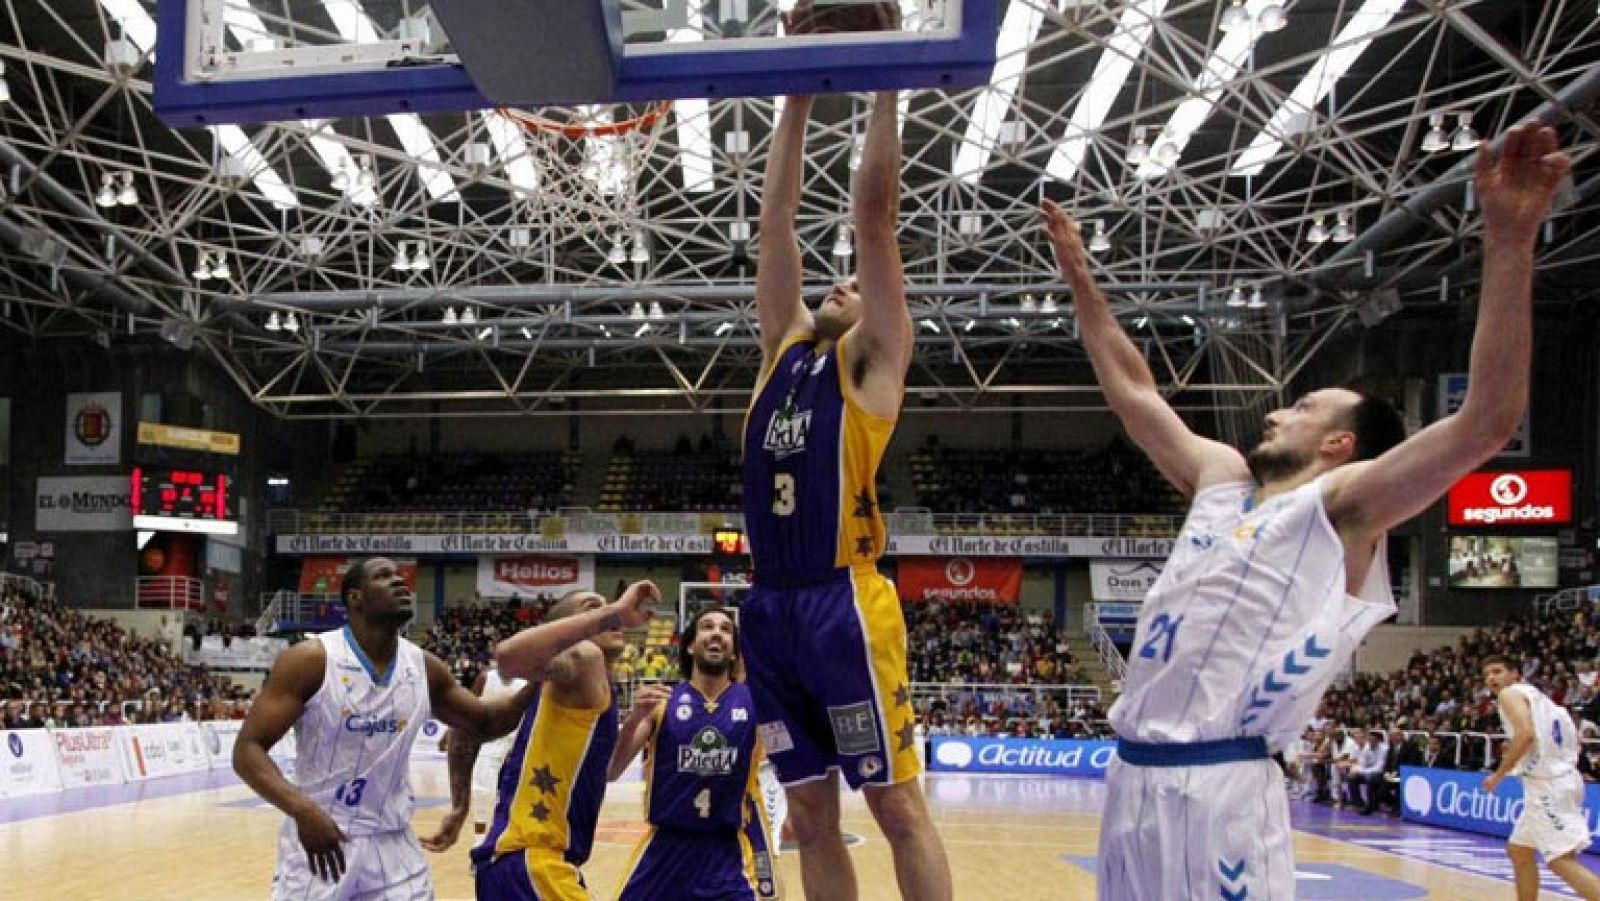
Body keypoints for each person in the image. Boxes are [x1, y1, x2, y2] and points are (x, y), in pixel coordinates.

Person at [1040, 122, 1571, 900]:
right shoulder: (1222, 478)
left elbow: (1487, 419)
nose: (1281, 411)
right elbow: (1135, 390)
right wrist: (1081, 275)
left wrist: (1509, 239)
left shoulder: (1347, 506)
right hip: (1131, 779)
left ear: (1340, 441)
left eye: (1306, 405)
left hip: (1222, 785)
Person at [741, 11, 950, 899]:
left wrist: (885, 73)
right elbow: (777, 218)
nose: (841, 279)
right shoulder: (783, 354)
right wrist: (796, 86)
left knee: (897, 809)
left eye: (857, 284)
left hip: (844, 603)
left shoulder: (873, 363)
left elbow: (872, 212)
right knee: (810, 819)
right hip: (771, 607)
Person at [232, 557, 535, 900]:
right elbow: (247, 750)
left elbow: (484, 722)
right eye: (383, 576)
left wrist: (541, 679)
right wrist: (300, 809)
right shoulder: (311, 660)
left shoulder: (424, 667)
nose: (400, 582)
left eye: (401, 576)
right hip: (321, 840)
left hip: (394, 844)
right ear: (355, 598)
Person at [426, 584, 659, 900]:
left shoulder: (550, 689)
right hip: (533, 863)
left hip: (516, 866)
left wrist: (459, 805)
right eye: (592, 609)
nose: (609, 614)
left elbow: (470, 727)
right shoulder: (584, 657)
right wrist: (613, 613)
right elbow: (508, 658)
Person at [608, 605, 781, 900]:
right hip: (666, 849)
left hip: (728, 852)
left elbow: (790, 755)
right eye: (708, 627)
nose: (717, 633)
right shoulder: (662, 702)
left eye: (726, 630)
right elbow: (611, 770)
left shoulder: (757, 704)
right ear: (689, 645)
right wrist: (635, 718)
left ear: (733, 652)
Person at [1482, 655, 1600, 900]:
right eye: (1487, 674)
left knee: (1560, 861)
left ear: (1515, 674)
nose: (1491, 678)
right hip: (1560, 777)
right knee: (1520, 851)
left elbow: (1525, 735)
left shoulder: (1509, 694)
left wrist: (1499, 775)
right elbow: (1574, 738)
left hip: (1549, 784)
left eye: (1497, 671)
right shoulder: (1541, 699)